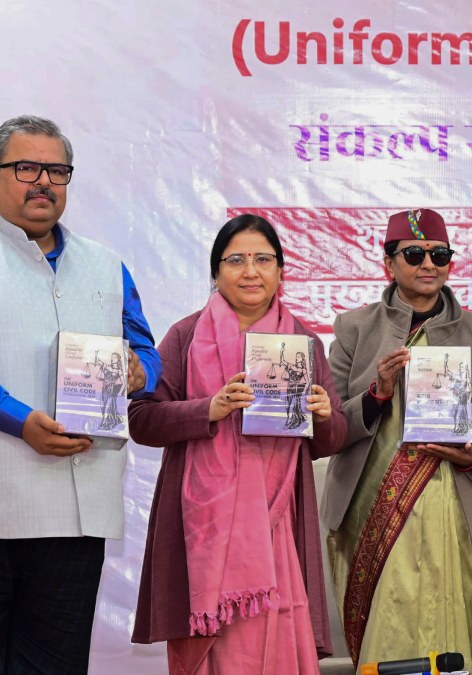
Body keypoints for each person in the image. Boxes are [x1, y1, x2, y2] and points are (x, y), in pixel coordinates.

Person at [129, 214, 348, 674]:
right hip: (204, 532)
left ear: (281, 271)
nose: (251, 271)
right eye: (236, 260)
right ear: (216, 272)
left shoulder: (302, 342)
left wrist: (324, 416)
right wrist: (209, 409)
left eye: (263, 260)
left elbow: (330, 441)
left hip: (278, 527)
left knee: (276, 643)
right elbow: (142, 420)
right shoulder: (186, 336)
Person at [321, 209, 472, 669]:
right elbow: (329, 426)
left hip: (461, 509)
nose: (428, 264)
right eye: (414, 254)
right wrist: (376, 393)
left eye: (440, 255)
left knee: (458, 635)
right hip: (372, 511)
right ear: (388, 263)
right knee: (388, 632)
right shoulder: (354, 329)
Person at [0, 114, 162, 674]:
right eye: (26, 168)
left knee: (56, 664)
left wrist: (138, 373)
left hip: (76, 510)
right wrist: (19, 420)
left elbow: (146, 351)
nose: (43, 182)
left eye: (57, 171)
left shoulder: (106, 264)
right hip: (5, 489)